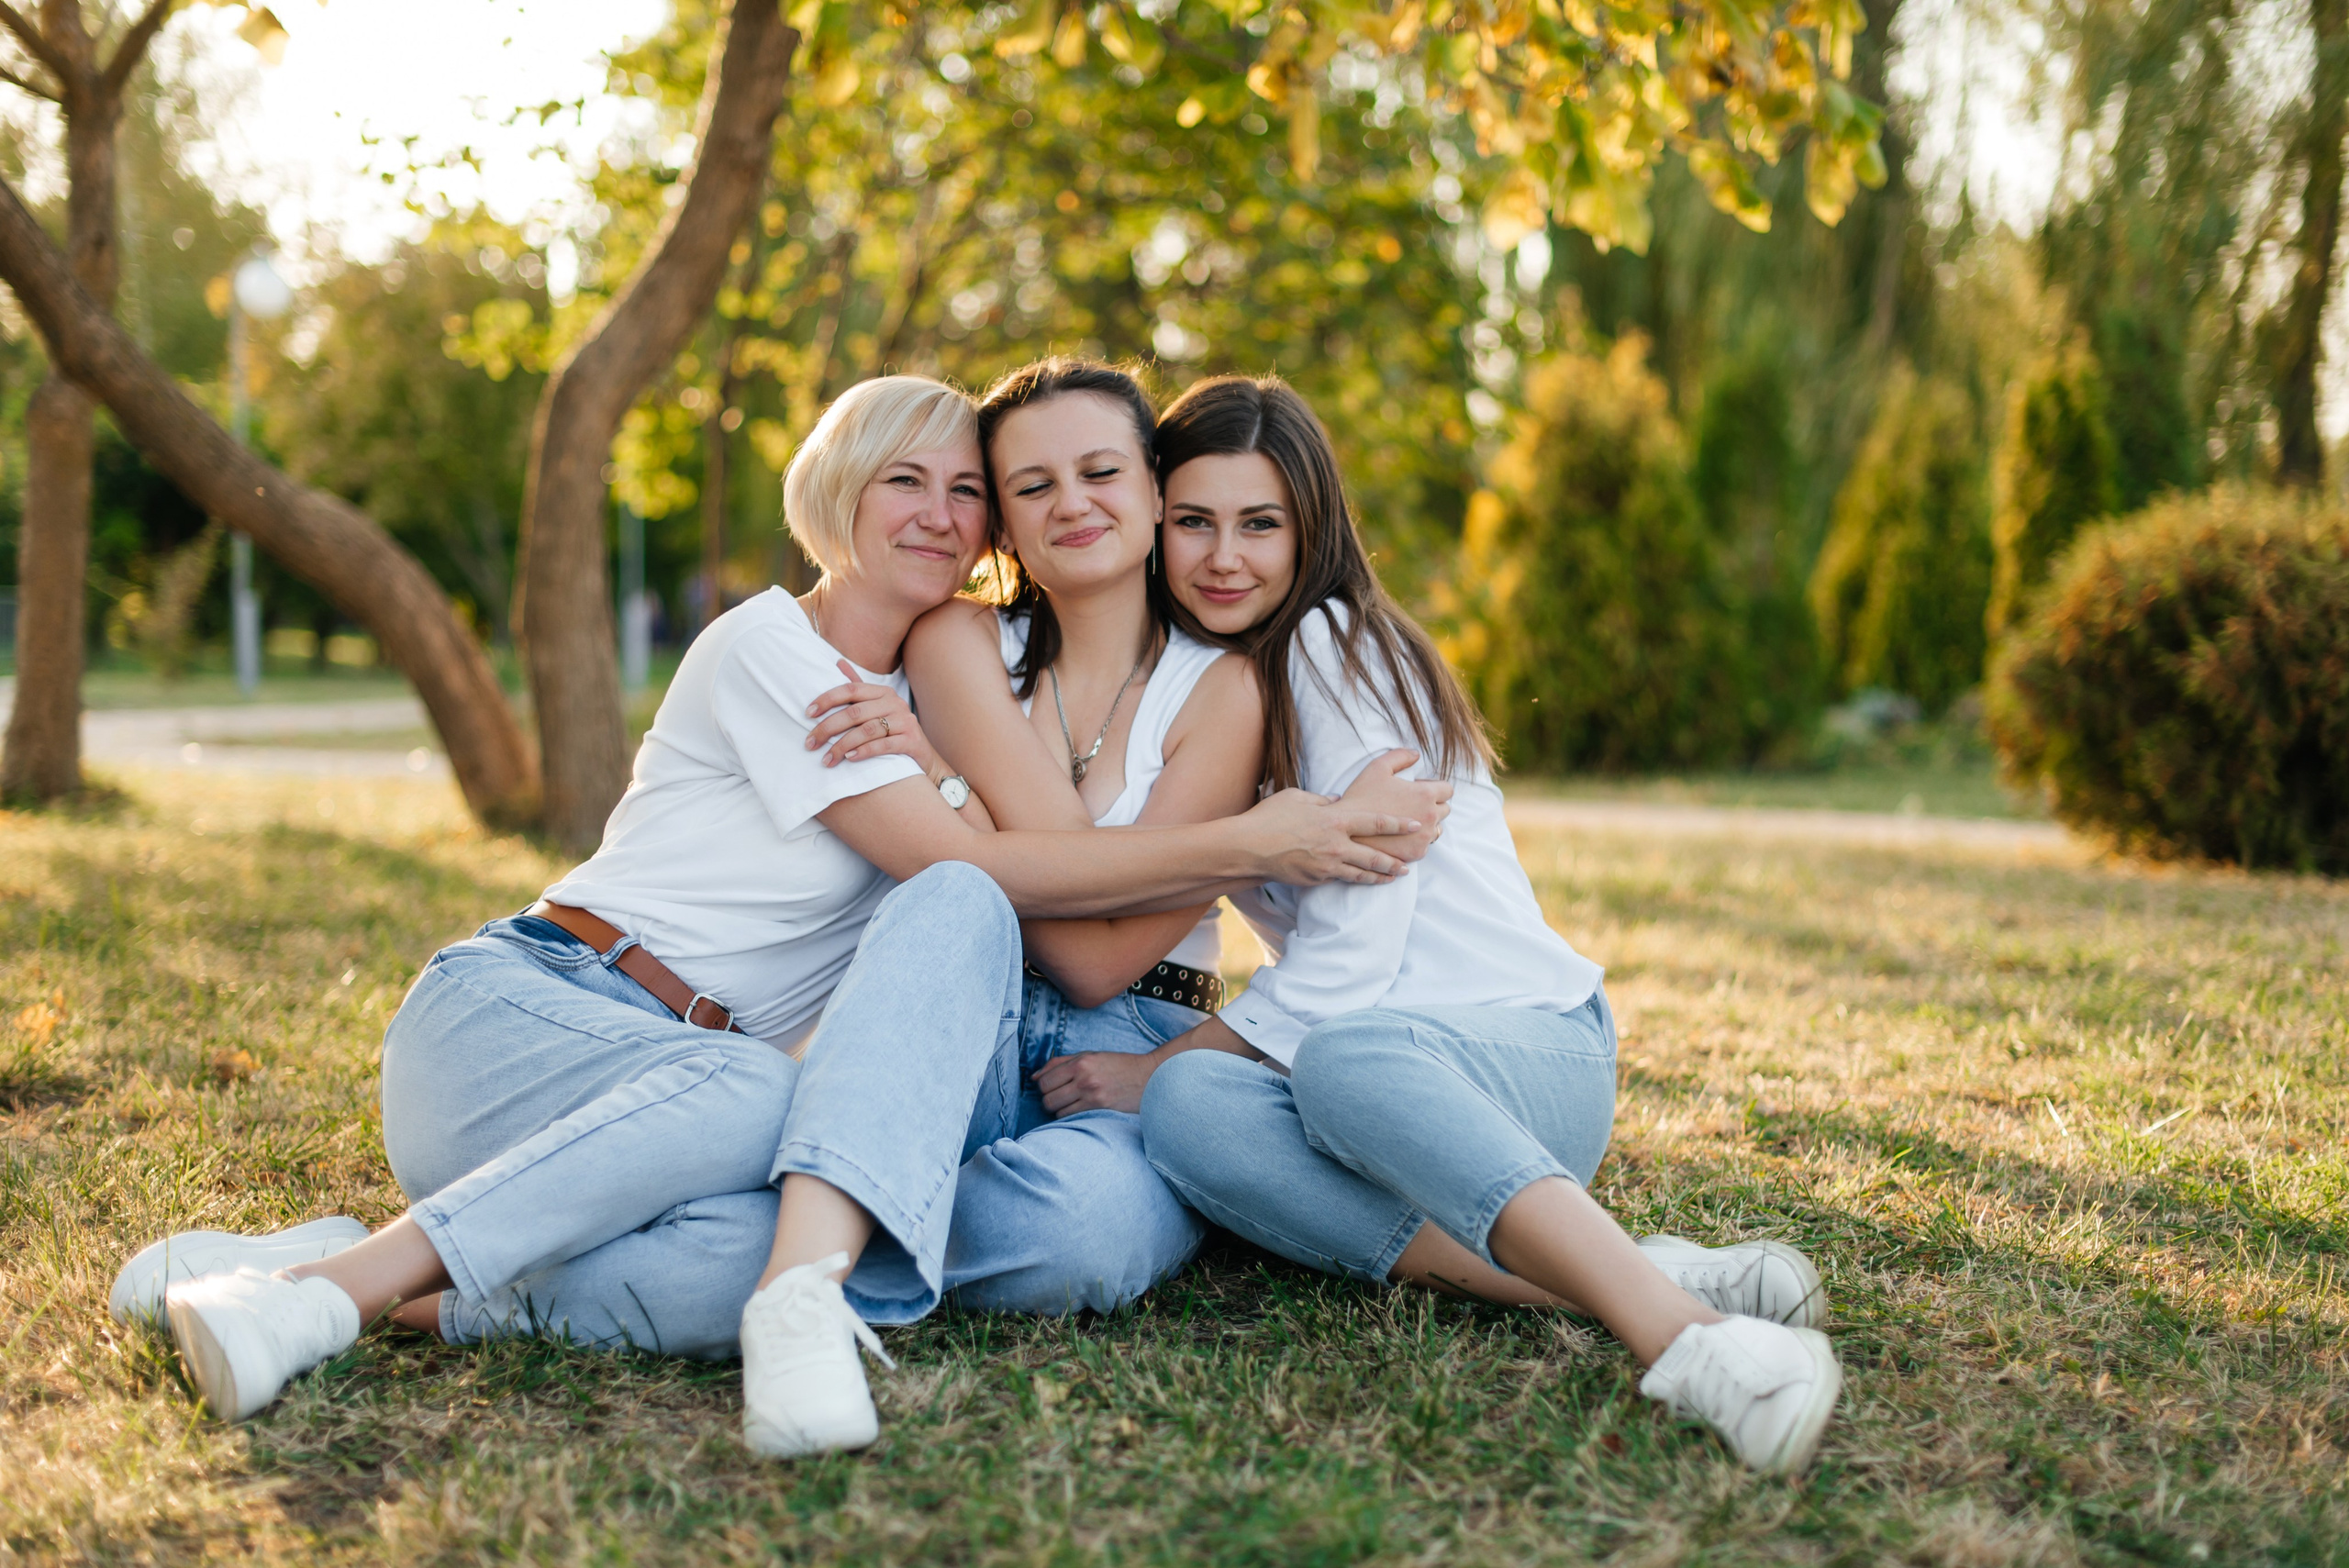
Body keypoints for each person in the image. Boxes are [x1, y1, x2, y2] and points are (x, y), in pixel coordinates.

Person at [113, 374, 1444, 1452]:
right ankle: (337, 1290)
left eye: (967, 488)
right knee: (786, 1073)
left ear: (1150, 489)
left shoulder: (1013, 683)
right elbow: (992, 885)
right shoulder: (810, 658)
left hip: (695, 1077)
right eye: (1000, 483)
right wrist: (1247, 841)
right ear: (839, 496)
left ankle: (406, 1278)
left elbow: (1027, 895)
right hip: (548, 1010)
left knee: (986, 1232)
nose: (957, 511)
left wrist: (946, 767)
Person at [1029, 374, 1845, 1476]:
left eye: (1261, 523)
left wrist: (1156, 1055)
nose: (1227, 556)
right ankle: (1643, 1269)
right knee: (1191, 1111)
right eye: (1196, 522)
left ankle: (1690, 1344)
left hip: (1524, 1052)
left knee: (1318, 1059)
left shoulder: (1327, 641)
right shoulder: (1222, 684)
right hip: (1404, 1103)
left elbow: (1357, 952)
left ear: (1311, 529)